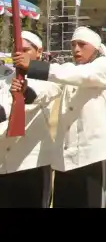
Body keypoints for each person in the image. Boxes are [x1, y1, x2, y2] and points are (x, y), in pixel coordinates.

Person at [14, 26, 106, 208]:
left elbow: (76, 75)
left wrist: (32, 66)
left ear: (95, 47)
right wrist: (26, 92)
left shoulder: (103, 67)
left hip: (93, 154)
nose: (76, 49)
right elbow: (50, 89)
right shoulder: (70, 70)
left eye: (81, 44)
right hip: (65, 158)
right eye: (73, 45)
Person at [0, 31, 61, 207]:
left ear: (39, 52)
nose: (18, 55)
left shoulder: (49, 79)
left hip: (32, 164)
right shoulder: (4, 79)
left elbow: (34, 96)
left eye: (25, 50)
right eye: (15, 50)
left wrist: (24, 92)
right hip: (3, 164)